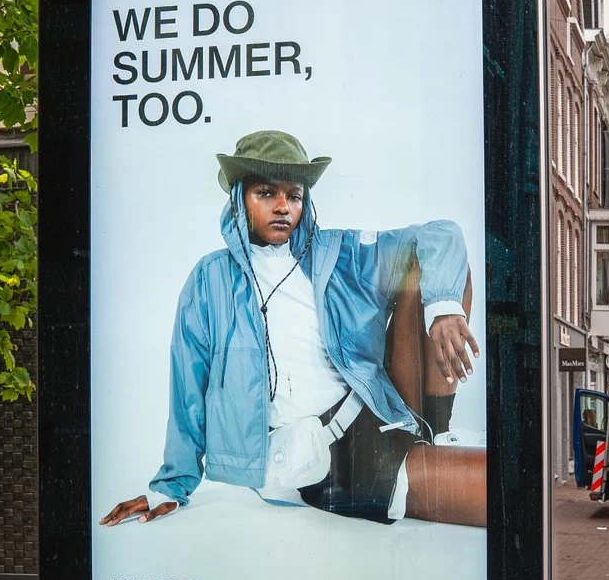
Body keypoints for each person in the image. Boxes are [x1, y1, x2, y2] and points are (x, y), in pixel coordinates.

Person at [102, 129, 487, 529]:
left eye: (295, 195)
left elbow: (440, 234)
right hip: (336, 460)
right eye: (267, 193)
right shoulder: (210, 280)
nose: (283, 206)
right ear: (239, 198)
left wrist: (444, 310)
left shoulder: (339, 254)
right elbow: (188, 387)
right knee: (500, 490)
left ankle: (434, 432)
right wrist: (170, 486)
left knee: (429, 267)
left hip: (382, 409)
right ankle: (426, 454)